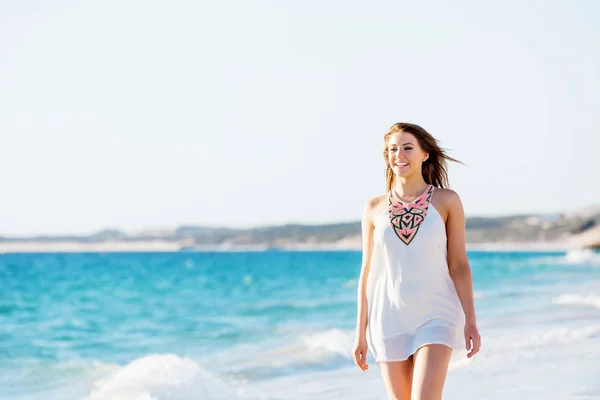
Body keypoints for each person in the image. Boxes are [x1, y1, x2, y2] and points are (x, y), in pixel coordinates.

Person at [352, 122, 481, 399]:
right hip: (388, 317)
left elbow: (458, 264)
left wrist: (471, 320)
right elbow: (366, 272)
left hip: (437, 313)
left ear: (424, 154)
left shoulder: (447, 201)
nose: (399, 154)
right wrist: (360, 333)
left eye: (407, 147)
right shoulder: (373, 208)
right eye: (392, 149)